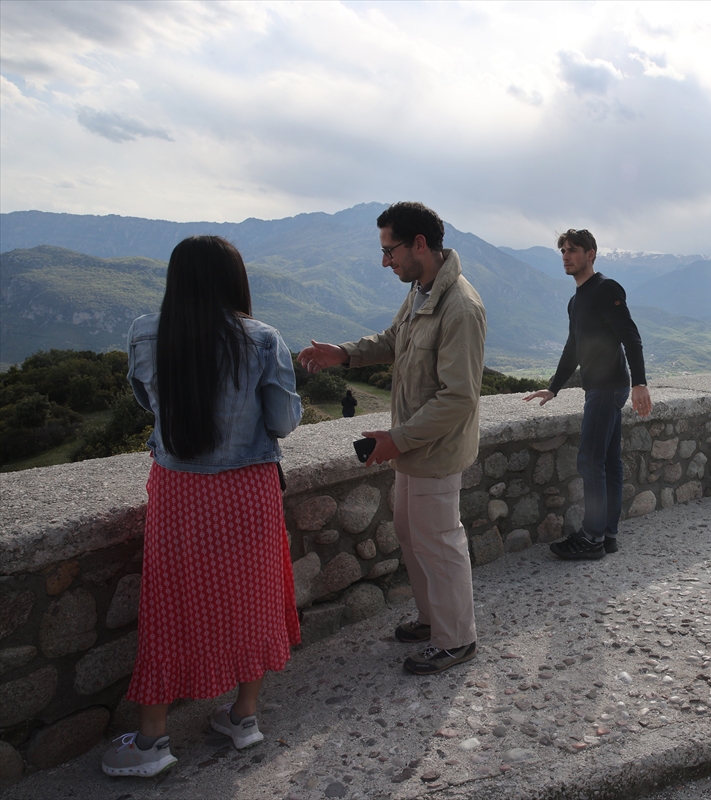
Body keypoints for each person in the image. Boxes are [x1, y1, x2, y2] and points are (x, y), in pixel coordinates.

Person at [103, 236, 302, 777]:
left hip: (180, 491)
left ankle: (151, 740)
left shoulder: (146, 333)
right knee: (253, 597)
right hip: (248, 491)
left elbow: (148, 403)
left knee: (169, 607)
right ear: (234, 280)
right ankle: (244, 717)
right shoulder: (264, 339)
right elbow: (283, 422)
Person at [298, 202, 485, 675]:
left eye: (390, 250)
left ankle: (457, 639)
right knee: (411, 534)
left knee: (439, 542)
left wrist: (397, 439)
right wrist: (342, 354)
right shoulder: (422, 291)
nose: (386, 261)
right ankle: (432, 620)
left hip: (434, 450)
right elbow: (394, 340)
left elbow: (459, 397)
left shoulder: (460, 307)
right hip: (413, 447)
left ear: (419, 244)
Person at [523, 229, 652, 560]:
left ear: (591, 254)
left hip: (608, 387)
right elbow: (573, 347)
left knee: (590, 461)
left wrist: (640, 383)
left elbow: (631, 336)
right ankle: (607, 535)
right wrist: (554, 387)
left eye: (573, 250)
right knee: (608, 462)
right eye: (563, 251)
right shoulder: (576, 300)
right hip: (600, 387)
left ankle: (592, 537)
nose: (566, 256)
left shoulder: (606, 289)